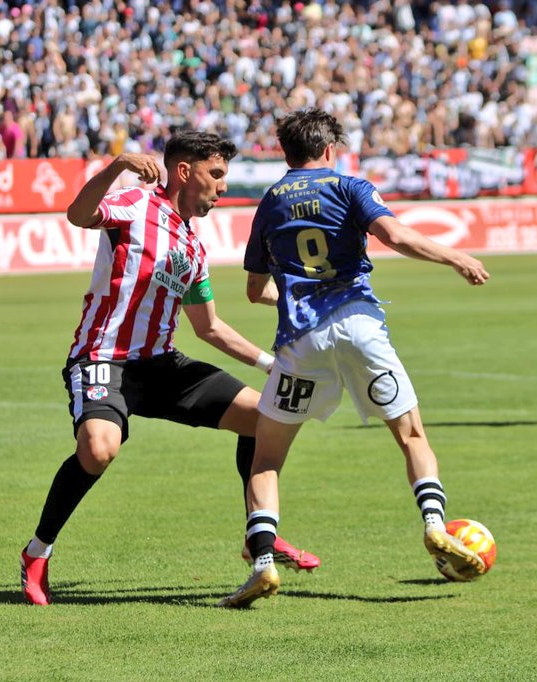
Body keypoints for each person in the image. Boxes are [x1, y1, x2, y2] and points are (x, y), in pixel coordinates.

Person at [20, 131, 319, 606]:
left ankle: (258, 535)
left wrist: (272, 366)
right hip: (103, 357)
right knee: (98, 451)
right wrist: (118, 164)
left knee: (264, 418)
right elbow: (78, 215)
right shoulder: (134, 203)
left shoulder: (192, 247)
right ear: (186, 171)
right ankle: (37, 552)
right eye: (216, 174)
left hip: (161, 365)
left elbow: (211, 327)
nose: (223, 187)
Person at [218, 108, 491, 608]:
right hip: (360, 327)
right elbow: (397, 237)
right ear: (328, 150)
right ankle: (433, 524)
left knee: (267, 459)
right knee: (411, 435)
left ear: (287, 152)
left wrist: (299, 294)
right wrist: (457, 257)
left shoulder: (270, 202)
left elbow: (255, 289)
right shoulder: (349, 187)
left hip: (301, 341)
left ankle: (262, 564)